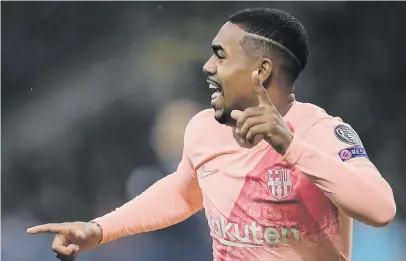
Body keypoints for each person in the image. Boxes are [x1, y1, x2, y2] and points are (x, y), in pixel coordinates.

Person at [27, 7, 396, 261]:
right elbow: (183, 192)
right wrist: (99, 230)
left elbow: (380, 209)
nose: (208, 66)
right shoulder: (203, 129)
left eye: (220, 55)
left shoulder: (322, 132)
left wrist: (291, 146)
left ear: (262, 70)